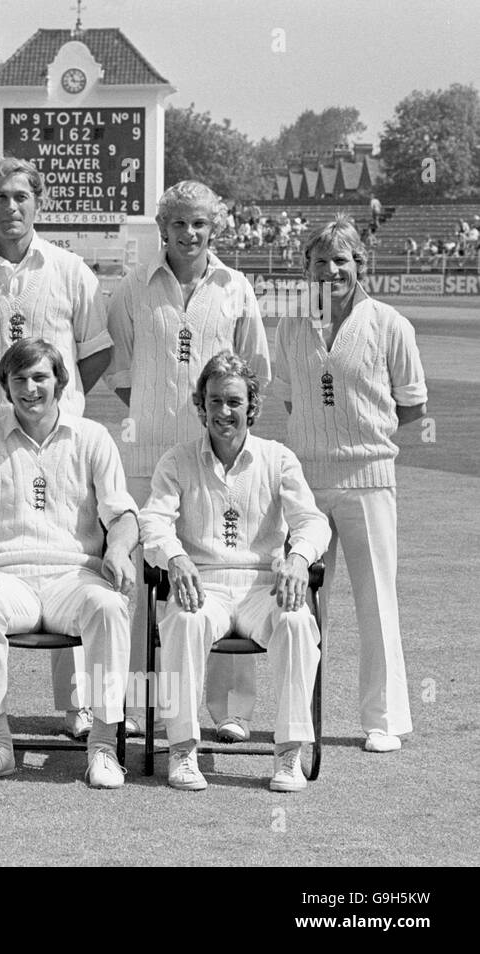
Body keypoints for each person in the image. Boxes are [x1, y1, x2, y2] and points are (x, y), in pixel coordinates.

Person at [0, 156, 114, 739]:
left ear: (39, 203)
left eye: (21, 197)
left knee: (70, 556)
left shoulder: (70, 270)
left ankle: (79, 705)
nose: (10, 208)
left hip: (60, 442)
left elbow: (95, 352)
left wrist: (52, 402)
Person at [106, 180, 271, 743]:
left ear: (213, 228)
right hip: (148, 456)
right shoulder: (134, 288)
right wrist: (158, 420)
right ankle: (138, 703)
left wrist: (219, 433)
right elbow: (121, 369)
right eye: (179, 223)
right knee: (141, 580)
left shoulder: (236, 287)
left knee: (227, 569)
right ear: (163, 228)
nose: (190, 233)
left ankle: (228, 709)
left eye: (200, 223)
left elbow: (253, 374)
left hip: (219, 459)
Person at [0, 338, 139, 787]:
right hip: (7, 575)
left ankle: (104, 747)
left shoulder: (92, 437)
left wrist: (118, 548)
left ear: (61, 382)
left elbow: (123, 513)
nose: (30, 389)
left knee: (111, 607)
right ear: (5, 387)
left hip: (74, 575)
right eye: (20, 380)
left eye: (40, 378)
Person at [140, 351, 330, 791]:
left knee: (299, 622)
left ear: (252, 406)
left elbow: (313, 521)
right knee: (183, 621)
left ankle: (289, 753)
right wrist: (175, 556)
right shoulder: (177, 459)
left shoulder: (278, 458)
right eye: (214, 401)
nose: (223, 412)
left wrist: (299, 558)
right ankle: (183, 750)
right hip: (202, 585)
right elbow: (152, 522)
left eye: (233, 402)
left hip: (262, 586)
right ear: (200, 405)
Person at [274, 218, 428, 753]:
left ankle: (383, 720)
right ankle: (299, 716)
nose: (332, 270)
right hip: (305, 482)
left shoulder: (390, 324)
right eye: (321, 261)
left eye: (342, 260)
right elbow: (294, 402)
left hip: (368, 479)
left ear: (360, 264)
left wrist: (363, 435)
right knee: (303, 601)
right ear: (307, 269)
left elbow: (413, 407)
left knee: (376, 600)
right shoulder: (291, 326)